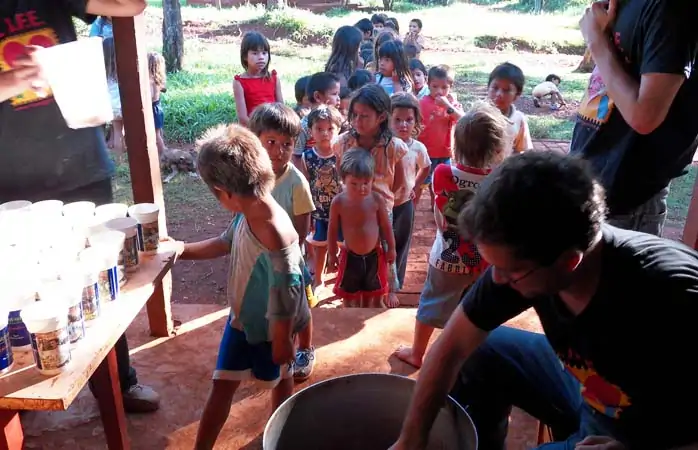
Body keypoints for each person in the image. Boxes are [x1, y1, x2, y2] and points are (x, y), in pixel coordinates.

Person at [390, 151, 698, 450]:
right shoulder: (527, 257)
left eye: (511, 272)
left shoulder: (671, 298)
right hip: (585, 384)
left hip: (643, 433)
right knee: (480, 349)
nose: (496, 281)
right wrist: (410, 440)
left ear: (569, 262)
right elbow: (453, 346)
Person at [0, 0, 159, 413]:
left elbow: (131, 6)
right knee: (18, 295)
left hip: (78, 165)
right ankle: (21, 398)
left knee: (103, 282)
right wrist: (16, 79)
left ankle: (119, 385)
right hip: (10, 182)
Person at [184, 124, 310, 450]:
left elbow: (290, 286)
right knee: (222, 383)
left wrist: (283, 339)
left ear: (225, 193)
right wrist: (179, 250)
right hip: (241, 320)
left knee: (281, 380)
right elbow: (223, 243)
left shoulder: (273, 228)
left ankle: (281, 436)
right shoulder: (247, 209)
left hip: (272, 328)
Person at [394, 102, 509, 369]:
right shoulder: (498, 179)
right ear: (497, 149)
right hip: (484, 262)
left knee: (431, 304)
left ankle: (417, 353)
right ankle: (472, 355)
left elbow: (439, 217)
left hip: (447, 257)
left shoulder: (443, 173)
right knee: (478, 308)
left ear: (455, 144)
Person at [572, 0, 698, 237]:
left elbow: (644, 116)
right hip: (590, 184)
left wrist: (596, 40)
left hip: (626, 202)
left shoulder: (671, 9)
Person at [248, 103, 317, 381]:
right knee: (268, 305)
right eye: (271, 142)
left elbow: (302, 227)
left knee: (300, 309)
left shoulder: (296, 182)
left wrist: (290, 254)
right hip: (259, 260)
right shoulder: (251, 178)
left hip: (289, 261)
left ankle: (306, 348)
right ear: (257, 142)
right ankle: (270, 345)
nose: (279, 151)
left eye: (287, 144)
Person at [333, 84, 408, 308]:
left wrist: (381, 201)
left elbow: (399, 182)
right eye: (354, 115)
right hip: (351, 211)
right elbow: (340, 172)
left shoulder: (393, 146)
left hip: (381, 211)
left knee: (385, 251)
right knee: (353, 250)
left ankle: (387, 289)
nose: (358, 120)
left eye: (365, 116)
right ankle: (352, 290)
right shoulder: (344, 142)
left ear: (382, 116)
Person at [327, 148, 395, 308]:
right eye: (354, 184)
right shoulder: (339, 202)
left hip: (375, 257)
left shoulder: (376, 199)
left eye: (366, 183)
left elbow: (386, 226)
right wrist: (331, 254)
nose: (361, 188)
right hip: (350, 257)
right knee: (350, 300)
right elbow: (332, 229)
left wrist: (391, 248)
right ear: (344, 180)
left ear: (372, 179)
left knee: (377, 298)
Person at [299, 106, 344, 290]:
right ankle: (319, 279)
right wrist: (308, 212)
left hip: (342, 213)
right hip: (318, 212)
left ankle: (342, 278)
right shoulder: (307, 157)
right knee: (320, 247)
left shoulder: (341, 154)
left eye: (330, 129)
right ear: (311, 131)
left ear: (338, 130)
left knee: (344, 246)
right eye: (319, 129)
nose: (325, 133)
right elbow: (305, 186)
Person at [390, 93, 430, 288]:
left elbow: (426, 167)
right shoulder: (384, 145)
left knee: (402, 242)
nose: (403, 125)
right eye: (397, 120)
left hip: (405, 202)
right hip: (383, 204)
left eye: (408, 120)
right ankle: (381, 280)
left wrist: (414, 184)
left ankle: (397, 281)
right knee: (382, 242)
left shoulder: (418, 148)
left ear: (416, 122)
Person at [418, 65, 464, 211]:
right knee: (421, 183)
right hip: (425, 152)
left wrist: (447, 105)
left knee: (440, 184)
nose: (439, 91)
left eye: (444, 87)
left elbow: (462, 120)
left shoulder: (452, 104)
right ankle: (411, 207)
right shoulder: (422, 103)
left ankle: (435, 206)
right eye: (435, 86)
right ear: (427, 83)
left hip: (445, 152)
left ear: (451, 87)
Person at [292, 72, 341, 169]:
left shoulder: (337, 120)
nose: (338, 98)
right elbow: (296, 156)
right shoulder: (304, 126)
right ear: (317, 96)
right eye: (334, 94)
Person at [232, 31, 282, 126]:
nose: (261, 57)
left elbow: (281, 108)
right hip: (252, 128)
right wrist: (261, 131)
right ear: (244, 57)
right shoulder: (239, 82)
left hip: (274, 126)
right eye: (255, 53)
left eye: (264, 53)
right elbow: (243, 118)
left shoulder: (274, 78)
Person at [487, 62, 533, 153]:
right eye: (495, 88)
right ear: (488, 88)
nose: (499, 94)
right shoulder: (476, 116)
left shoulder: (519, 119)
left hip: (505, 166)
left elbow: (523, 151)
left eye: (506, 90)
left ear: (517, 95)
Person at [102, 37, 124, 154]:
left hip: (114, 108)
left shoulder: (104, 71)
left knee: (118, 132)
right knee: (127, 132)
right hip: (126, 105)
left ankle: (120, 161)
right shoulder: (124, 70)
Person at [148, 51, 167, 155]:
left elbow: (149, 97)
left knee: (156, 135)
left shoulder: (150, 81)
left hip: (152, 109)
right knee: (158, 132)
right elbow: (164, 89)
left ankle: (164, 154)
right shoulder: (159, 79)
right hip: (158, 107)